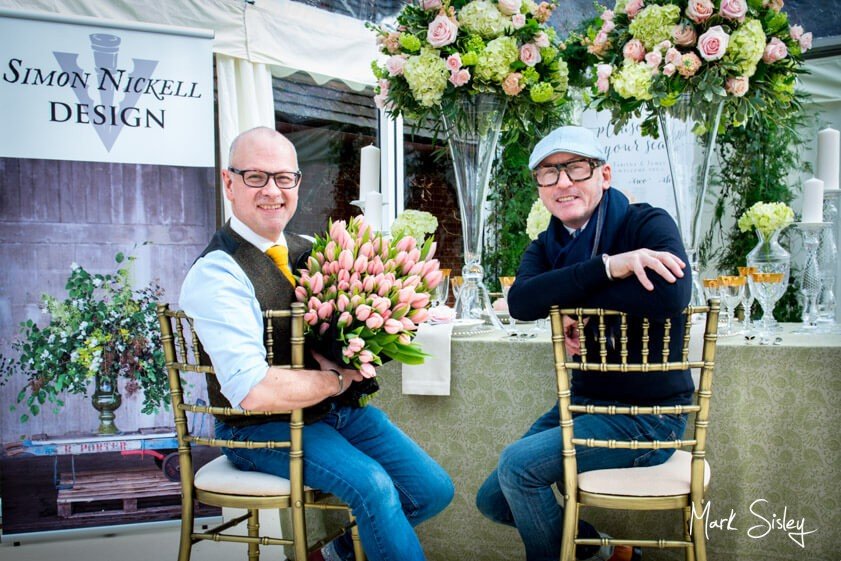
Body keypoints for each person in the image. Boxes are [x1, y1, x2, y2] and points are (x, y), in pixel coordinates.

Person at [180, 126, 453, 561]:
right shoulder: (218, 273)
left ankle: (333, 555)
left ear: (298, 184)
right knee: (374, 487)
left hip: (333, 415)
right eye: (256, 177)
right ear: (229, 183)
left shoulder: (310, 249)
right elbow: (252, 391)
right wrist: (334, 381)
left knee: (431, 490)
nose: (273, 190)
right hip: (258, 430)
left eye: (284, 178)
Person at [475, 126, 692, 561]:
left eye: (576, 168)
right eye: (549, 173)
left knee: (519, 468)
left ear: (605, 174)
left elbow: (672, 296)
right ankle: (602, 553)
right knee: (493, 499)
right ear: (539, 187)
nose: (563, 183)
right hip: (584, 403)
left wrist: (571, 298)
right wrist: (611, 268)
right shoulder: (546, 244)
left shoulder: (646, 222)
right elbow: (521, 301)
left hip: (649, 418)